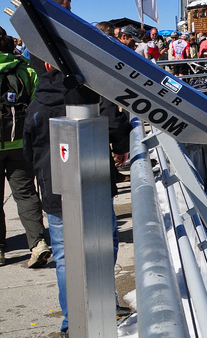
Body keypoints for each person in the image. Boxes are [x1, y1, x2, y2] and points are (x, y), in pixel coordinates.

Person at [23, 59, 132, 334]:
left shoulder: (36, 106)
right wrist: (120, 146)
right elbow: (115, 123)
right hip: (94, 184)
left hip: (55, 191)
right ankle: (104, 303)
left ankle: (72, 322)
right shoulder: (88, 89)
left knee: (63, 256)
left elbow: (28, 153)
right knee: (104, 243)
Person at [0, 26, 50, 268]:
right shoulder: (25, 69)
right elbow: (37, 102)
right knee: (26, 193)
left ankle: (0, 251)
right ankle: (37, 242)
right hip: (19, 141)